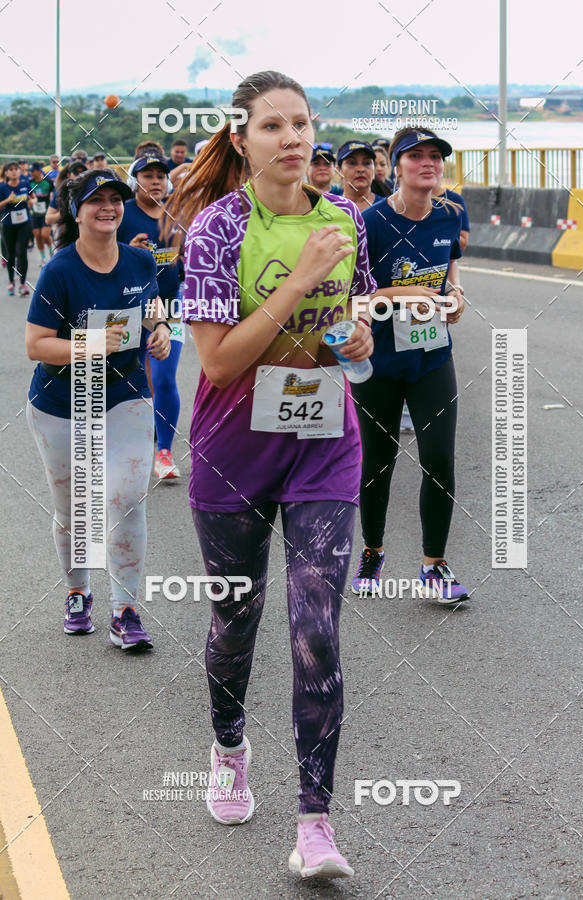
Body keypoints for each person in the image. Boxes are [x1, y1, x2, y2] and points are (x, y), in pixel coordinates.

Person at [167, 69, 375, 880]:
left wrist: (355, 338)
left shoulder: (345, 218)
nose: (294, 138)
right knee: (236, 622)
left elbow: (348, 320)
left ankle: (316, 824)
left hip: (324, 436)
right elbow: (217, 364)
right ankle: (228, 747)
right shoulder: (217, 230)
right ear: (241, 140)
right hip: (233, 447)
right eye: (273, 126)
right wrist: (297, 280)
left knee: (317, 631)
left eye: (303, 123)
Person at [25, 169, 171, 650]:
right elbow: (36, 345)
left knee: (127, 498)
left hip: (125, 395)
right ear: (76, 210)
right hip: (61, 404)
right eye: (96, 201)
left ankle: (125, 609)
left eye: (116, 199)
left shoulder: (140, 262)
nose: (108, 207)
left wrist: (160, 330)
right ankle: (78, 592)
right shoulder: (60, 270)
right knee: (75, 509)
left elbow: (151, 311)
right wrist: (89, 343)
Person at [350, 127, 469, 603]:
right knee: (378, 463)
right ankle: (373, 551)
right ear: (393, 166)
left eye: (436, 156)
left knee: (439, 457)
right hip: (378, 358)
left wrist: (456, 295)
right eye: (416, 156)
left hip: (432, 355)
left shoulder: (449, 215)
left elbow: (451, 269)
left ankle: (433, 565)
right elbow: (354, 294)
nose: (429, 163)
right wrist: (408, 293)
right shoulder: (370, 221)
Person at [117, 152, 184, 479]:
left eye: (160, 175)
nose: (155, 181)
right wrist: (128, 249)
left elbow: (190, 262)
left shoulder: (178, 212)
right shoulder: (121, 213)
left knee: (163, 376)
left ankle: (163, 451)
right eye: (147, 176)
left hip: (171, 307)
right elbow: (102, 257)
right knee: (128, 379)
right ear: (135, 181)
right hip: (127, 306)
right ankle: (129, 442)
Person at [0, 161, 32, 295]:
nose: (13, 171)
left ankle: (23, 284)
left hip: (24, 223)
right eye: (10, 169)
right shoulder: (2, 187)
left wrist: (31, 202)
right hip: (8, 224)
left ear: (19, 171)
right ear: (6, 172)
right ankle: (11, 281)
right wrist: (8, 200)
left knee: (22, 252)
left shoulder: (25, 184)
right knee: (10, 254)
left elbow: (31, 199)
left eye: (16, 169)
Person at [336, 140, 378, 212]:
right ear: (339, 171)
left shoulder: (388, 208)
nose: (360, 169)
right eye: (352, 163)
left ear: (374, 170)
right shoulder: (328, 209)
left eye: (367, 163)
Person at [28, 162, 53, 263]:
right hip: (34, 214)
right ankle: (43, 258)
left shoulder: (48, 182)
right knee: (37, 236)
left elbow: (54, 193)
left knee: (45, 235)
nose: (31, 173)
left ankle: (51, 251)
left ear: (39, 171)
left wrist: (52, 197)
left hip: (46, 213)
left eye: (33, 171)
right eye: (30, 172)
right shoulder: (30, 183)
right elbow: (27, 195)